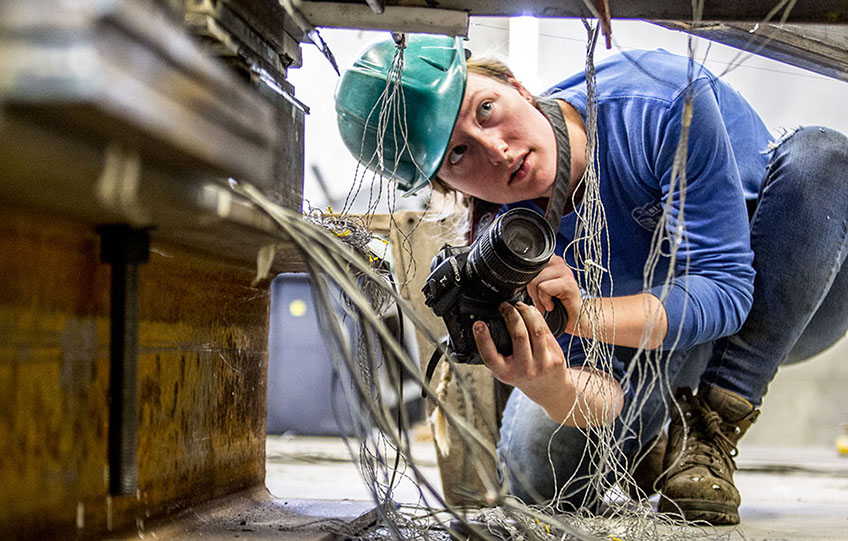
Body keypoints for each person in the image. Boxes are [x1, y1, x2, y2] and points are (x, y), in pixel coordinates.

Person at [334, 34, 848, 524]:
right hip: (657, 346)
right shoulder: (508, 243)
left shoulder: (656, 105)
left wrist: (586, 314)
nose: (498, 151)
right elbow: (603, 394)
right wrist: (550, 384)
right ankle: (655, 446)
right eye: (458, 155)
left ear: (516, 85)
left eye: (484, 109)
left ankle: (710, 427)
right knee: (536, 476)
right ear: (447, 186)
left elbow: (728, 288)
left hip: (794, 297)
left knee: (823, 158)